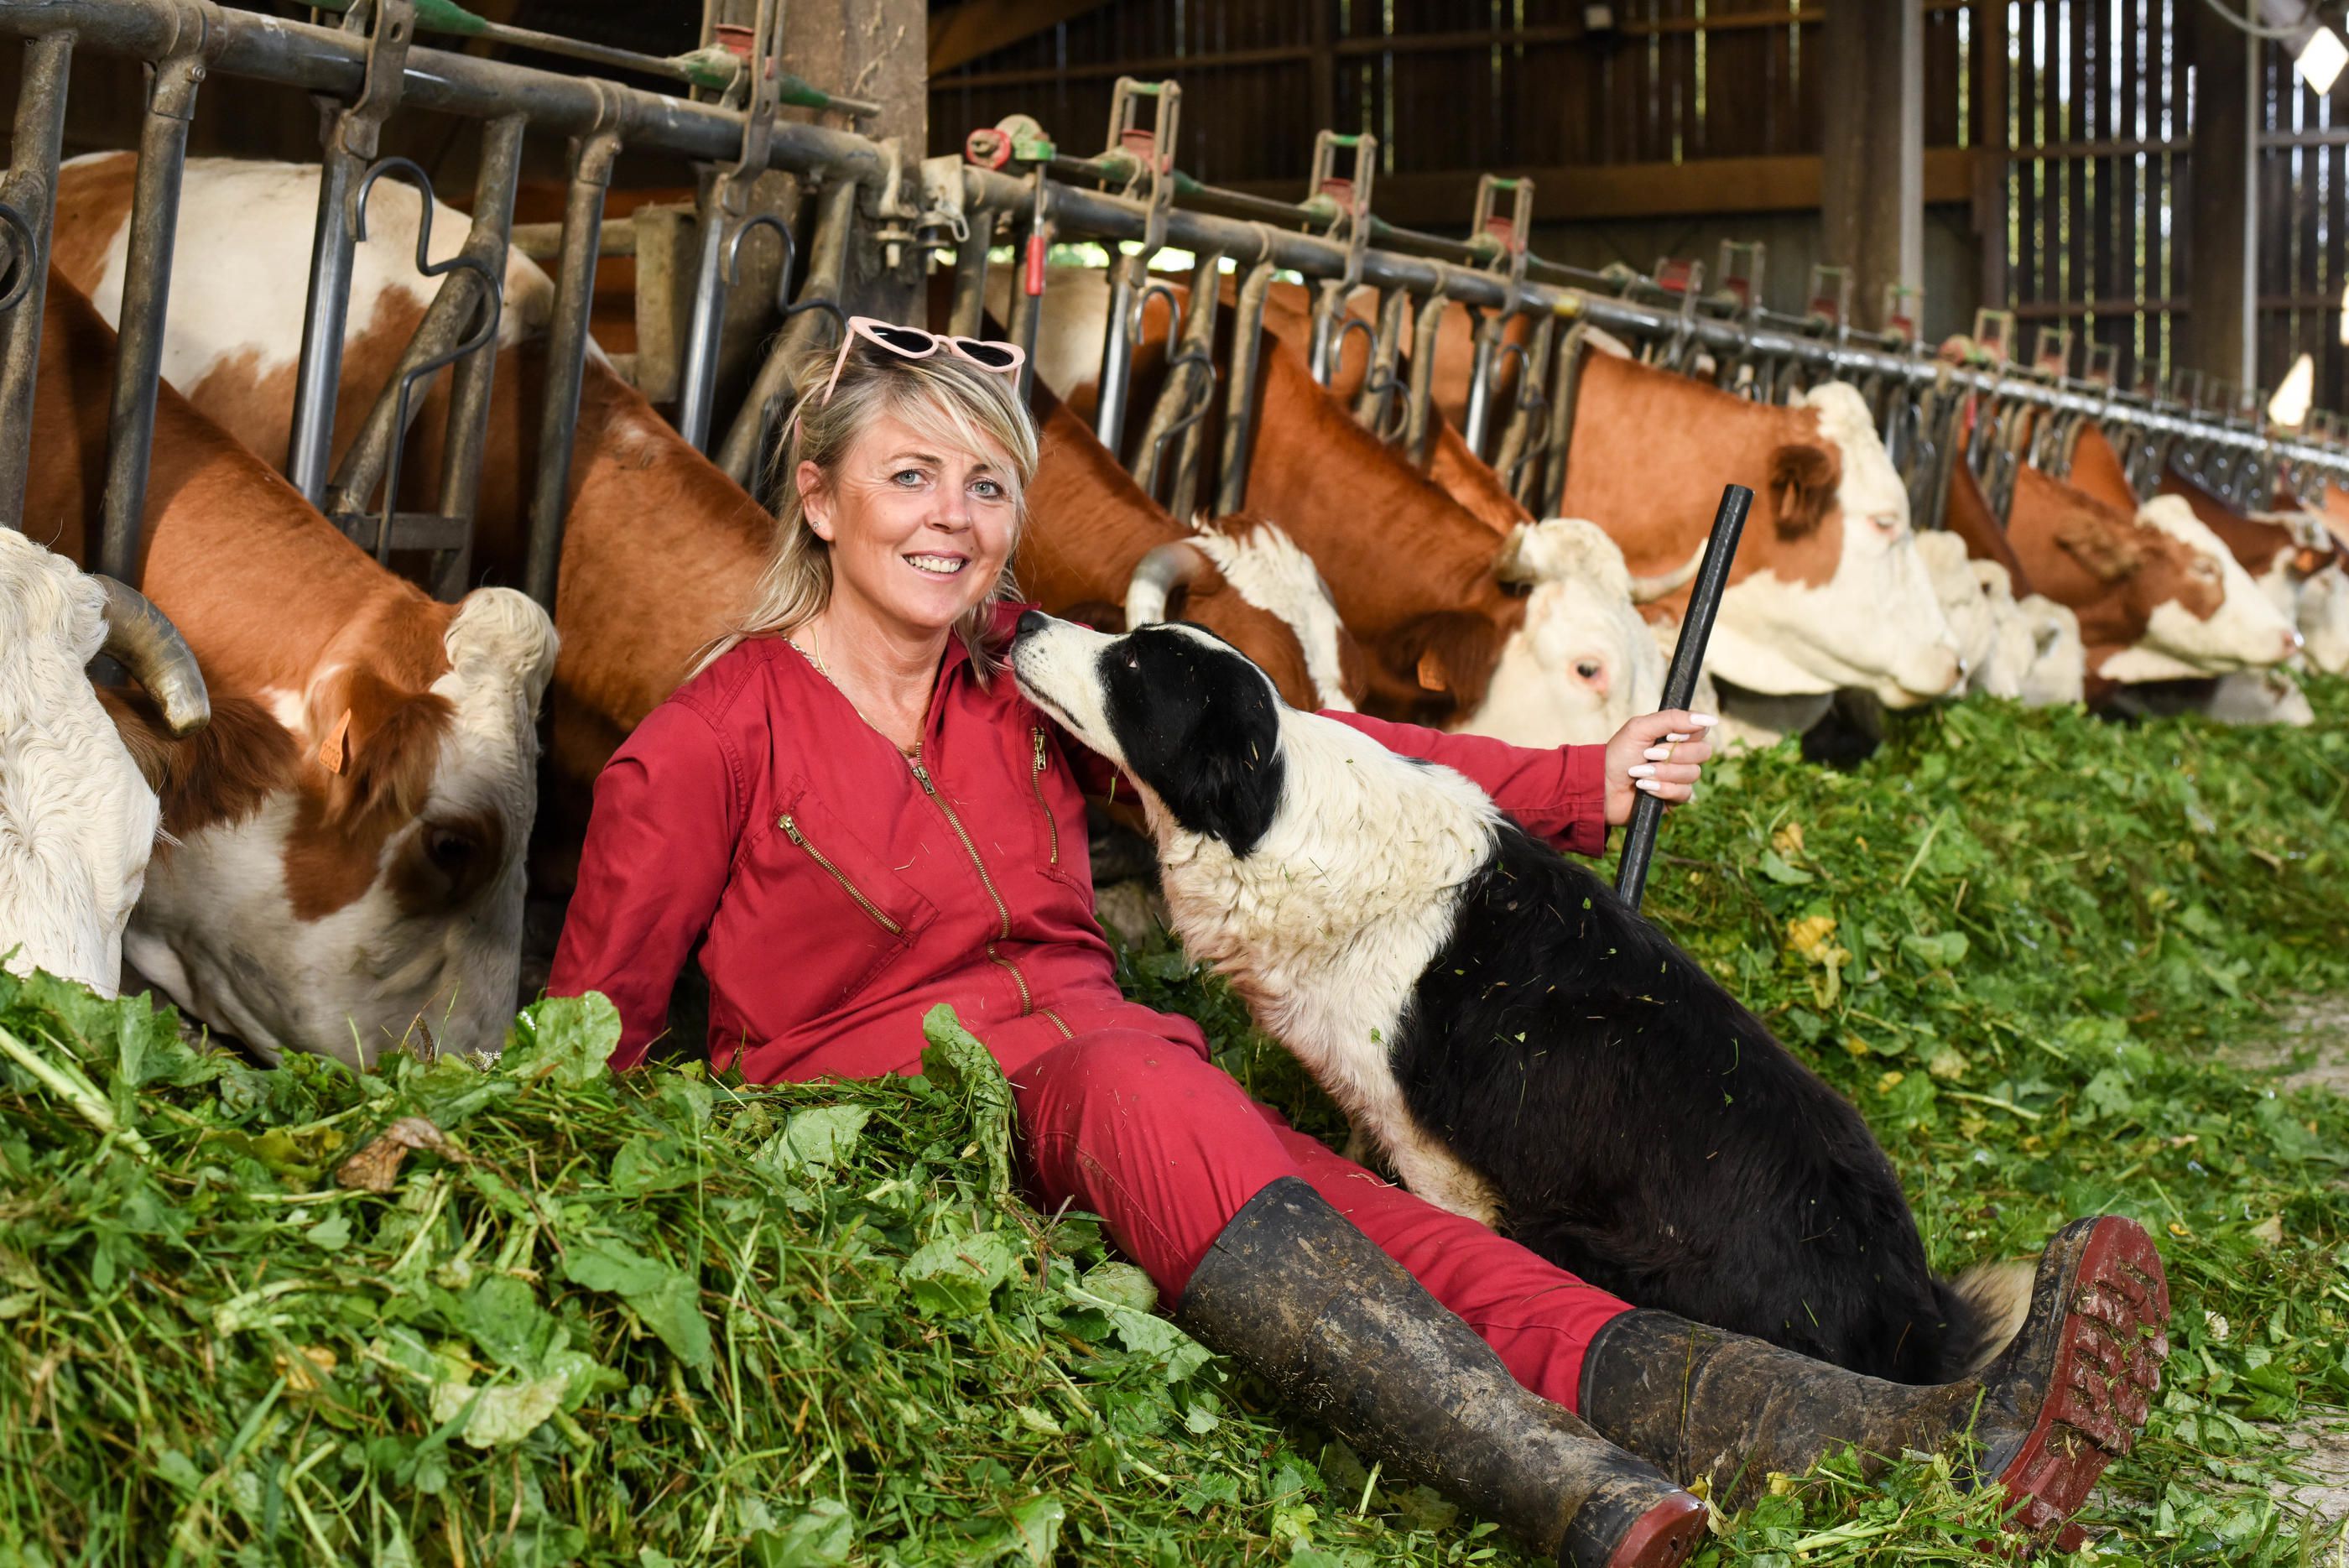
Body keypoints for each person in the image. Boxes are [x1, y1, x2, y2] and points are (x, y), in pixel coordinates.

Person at [549, 321, 2165, 1568]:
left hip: (1145, 1104)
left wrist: (1574, 781)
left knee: (1441, 1238)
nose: (957, 523)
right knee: (1134, 1081)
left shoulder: (1024, 681)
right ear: (820, 497)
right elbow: (582, 1046)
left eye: (986, 487)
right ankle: (1573, 1495)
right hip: (923, 1131)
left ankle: (1915, 1439)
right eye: (911, 478)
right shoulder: (705, 743)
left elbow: (1312, 750)